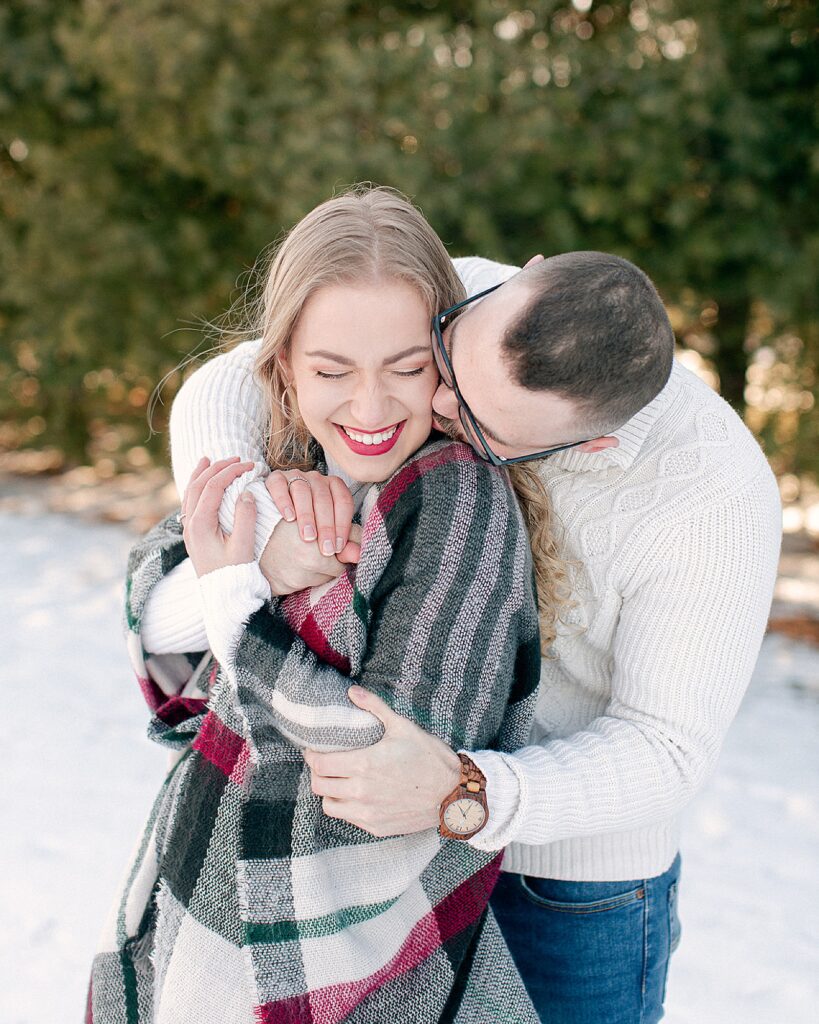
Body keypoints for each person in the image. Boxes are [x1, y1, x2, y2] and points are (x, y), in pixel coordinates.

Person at [166, 244, 783, 1022]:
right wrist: (255, 523)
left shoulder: (714, 502)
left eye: (478, 424)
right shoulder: (469, 286)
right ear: (517, 274)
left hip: (558, 889)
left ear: (586, 445)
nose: (431, 411)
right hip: (381, 856)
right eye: (445, 361)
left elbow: (665, 748)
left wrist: (468, 790)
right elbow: (229, 376)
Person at [88, 187, 554, 1023]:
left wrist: (237, 599)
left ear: (447, 363)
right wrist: (264, 559)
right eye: (331, 371)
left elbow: (391, 761)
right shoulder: (282, 459)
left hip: (348, 959)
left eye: (407, 369)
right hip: (200, 906)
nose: (370, 410)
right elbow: (151, 623)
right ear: (282, 369)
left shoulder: (457, 499)